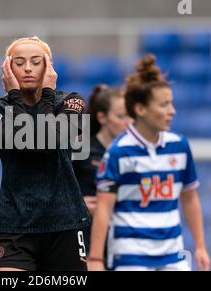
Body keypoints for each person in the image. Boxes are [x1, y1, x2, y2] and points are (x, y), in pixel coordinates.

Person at [88, 54, 211, 271]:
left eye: (171, 103)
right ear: (140, 109)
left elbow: (190, 198)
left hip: (173, 255)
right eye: (164, 105)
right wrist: (96, 259)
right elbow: (104, 208)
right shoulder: (118, 152)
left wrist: (200, 245)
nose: (172, 111)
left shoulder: (180, 146)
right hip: (130, 256)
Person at [0, 36, 90, 271]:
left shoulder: (72, 101)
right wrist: (16, 97)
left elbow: (49, 141)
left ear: (49, 68)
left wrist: (48, 93)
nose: (27, 68)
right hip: (15, 226)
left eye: (36, 61)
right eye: (18, 63)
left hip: (65, 225)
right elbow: (26, 143)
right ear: (7, 70)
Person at [72, 84, 130, 267]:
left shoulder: (135, 152)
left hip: (124, 237)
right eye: (121, 116)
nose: (128, 122)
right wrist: (77, 205)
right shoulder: (80, 148)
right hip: (86, 238)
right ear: (102, 117)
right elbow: (51, 188)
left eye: (131, 116)